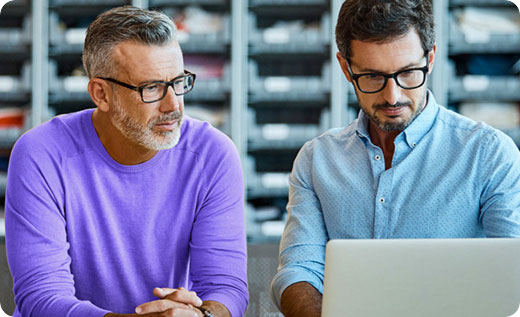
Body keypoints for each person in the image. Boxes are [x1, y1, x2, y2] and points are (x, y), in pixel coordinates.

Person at [270, 0, 520, 316]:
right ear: (346, 68)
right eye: (373, 76)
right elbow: (298, 269)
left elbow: (514, 275)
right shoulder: (316, 159)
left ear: (429, 58)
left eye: (408, 73)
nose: (393, 96)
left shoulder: (488, 153)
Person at [5, 6, 248, 317]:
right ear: (101, 94)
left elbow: (226, 287)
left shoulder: (213, 154)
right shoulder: (41, 153)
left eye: (178, 82)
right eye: (152, 88)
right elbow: (40, 298)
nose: (173, 105)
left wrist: (204, 315)